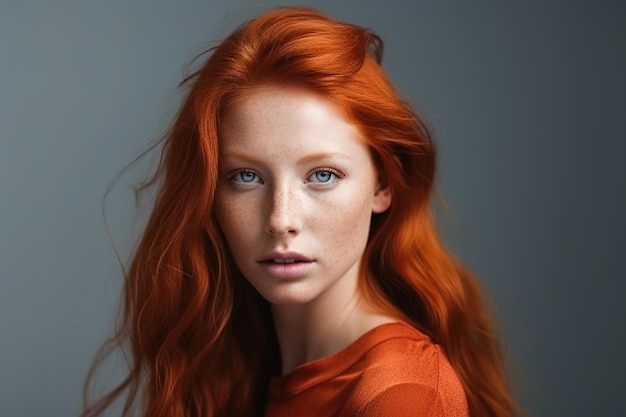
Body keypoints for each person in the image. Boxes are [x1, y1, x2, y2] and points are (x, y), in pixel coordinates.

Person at [82, 7, 516, 417]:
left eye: (323, 175)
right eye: (247, 177)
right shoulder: (239, 369)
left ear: (384, 184)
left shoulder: (402, 395)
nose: (280, 219)